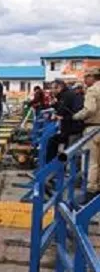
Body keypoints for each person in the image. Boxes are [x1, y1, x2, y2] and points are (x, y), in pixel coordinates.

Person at [74, 69, 100, 198]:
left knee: (91, 162)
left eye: (86, 77)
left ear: (92, 77)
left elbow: (90, 109)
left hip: (93, 129)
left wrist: (77, 116)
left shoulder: (92, 90)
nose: (84, 81)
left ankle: (91, 191)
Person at [47, 79, 84, 164]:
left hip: (73, 128)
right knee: (55, 142)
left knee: (71, 152)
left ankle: (52, 168)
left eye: (53, 88)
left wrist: (58, 115)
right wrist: (55, 105)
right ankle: (55, 168)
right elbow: (62, 109)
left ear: (59, 87)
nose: (51, 91)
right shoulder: (66, 95)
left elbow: (63, 111)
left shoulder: (66, 96)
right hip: (70, 128)